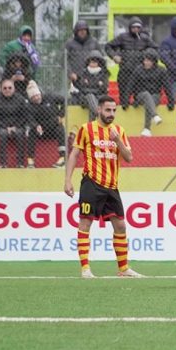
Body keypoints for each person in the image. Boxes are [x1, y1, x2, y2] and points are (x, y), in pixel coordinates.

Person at [64, 95, 142, 278]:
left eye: (114, 110)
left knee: (121, 225)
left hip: (111, 186)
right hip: (91, 183)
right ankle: (85, 269)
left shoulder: (118, 131)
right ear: (98, 109)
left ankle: (123, 269)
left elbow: (129, 158)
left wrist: (118, 142)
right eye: (108, 110)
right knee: (85, 223)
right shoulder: (86, 129)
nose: (111, 114)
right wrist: (67, 180)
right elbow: (75, 155)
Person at [105, 16, 158, 108]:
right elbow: (108, 46)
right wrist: (114, 56)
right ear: (130, 27)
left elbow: (156, 48)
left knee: (139, 98)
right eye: (134, 27)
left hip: (140, 73)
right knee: (124, 99)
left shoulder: (145, 38)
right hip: (125, 71)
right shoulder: (122, 37)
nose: (136, 29)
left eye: (138, 27)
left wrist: (147, 55)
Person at [26, 80, 66, 168]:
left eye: (37, 95)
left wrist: (61, 115)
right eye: (33, 97)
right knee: (31, 132)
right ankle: (30, 160)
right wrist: (36, 125)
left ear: (39, 93)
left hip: (53, 126)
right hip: (41, 130)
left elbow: (64, 100)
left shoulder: (50, 96)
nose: (36, 98)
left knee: (60, 128)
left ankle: (62, 158)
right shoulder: (29, 106)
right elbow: (29, 118)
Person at [130, 48, 169, 136]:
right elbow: (131, 85)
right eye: (145, 60)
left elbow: (167, 86)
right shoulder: (138, 69)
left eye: (149, 61)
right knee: (146, 94)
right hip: (140, 95)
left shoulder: (161, 70)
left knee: (150, 100)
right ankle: (154, 116)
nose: (146, 63)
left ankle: (147, 129)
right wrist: (126, 100)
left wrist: (171, 101)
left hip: (155, 95)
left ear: (154, 61)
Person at [0, 79, 29, 168]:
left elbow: (24, 116)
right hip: (3, 127)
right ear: (1, 89)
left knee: (19, 133)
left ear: (14, 88)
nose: (7, 90)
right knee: (2, 134)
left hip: (18, 125)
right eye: (5, 88)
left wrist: (15, 126)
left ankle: (20, 163)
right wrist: (6, 127)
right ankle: (2, 163)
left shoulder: (20, 99)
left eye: (9, 88)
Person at [72, 50, 109, 121]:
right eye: (91, 61)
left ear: (99, 63)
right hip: (85, 98)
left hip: (98, 98)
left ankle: (91, 128)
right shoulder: (84, 73)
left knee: (92, 108)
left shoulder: (104, 74)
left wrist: (89, 89)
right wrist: (95, 88)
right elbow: (82, 88)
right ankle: (99, 113)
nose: (93, 63)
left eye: (95, 61)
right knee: (90, 96)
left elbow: (104, 88)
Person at [65, 20, 100, 87]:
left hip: (92, 76)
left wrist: (100, 74)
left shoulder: (94, 42)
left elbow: (100, 59)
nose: (82, 32)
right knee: (76, 95)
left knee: (92, 95)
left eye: (84, 30)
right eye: (80, 30)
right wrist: (70, 73)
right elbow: (64, 60)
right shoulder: (69, 43)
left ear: (87, 31)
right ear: (76, 31)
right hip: (76, 77)